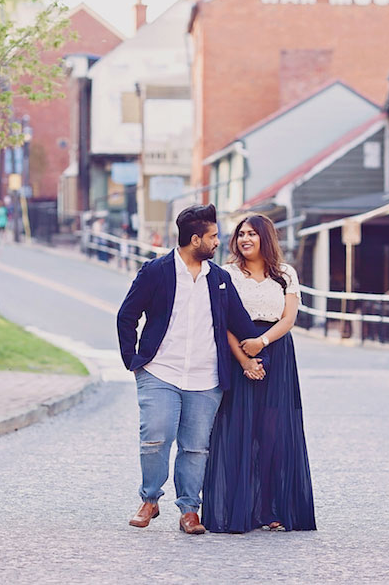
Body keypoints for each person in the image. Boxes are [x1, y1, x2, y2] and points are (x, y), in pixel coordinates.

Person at [116, 204, 266, 535]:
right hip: (159, 372)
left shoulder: (221, 280)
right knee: (156, 436)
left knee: (196, 447)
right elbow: (127, 315)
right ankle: (150, 499)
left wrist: (266, 342)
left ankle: (189, 510)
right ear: (195, 239)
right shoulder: (156, 272)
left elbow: (240, 323)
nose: (218, 242)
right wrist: (133, 360)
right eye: (213, 237)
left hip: (205, 378)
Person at [201, 213, 316, 534]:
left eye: (252, 233)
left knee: (274, 433)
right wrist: (244, 359)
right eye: (241, 234)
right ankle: (237, 511)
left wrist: (262, 342)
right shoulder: (226, 273)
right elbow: (220, 322)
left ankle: (273, 509)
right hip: (238, 351)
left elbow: (289, 318)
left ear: (266, 237)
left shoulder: (285, 274)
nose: (245, 239)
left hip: (277, 354)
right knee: (238, 430)